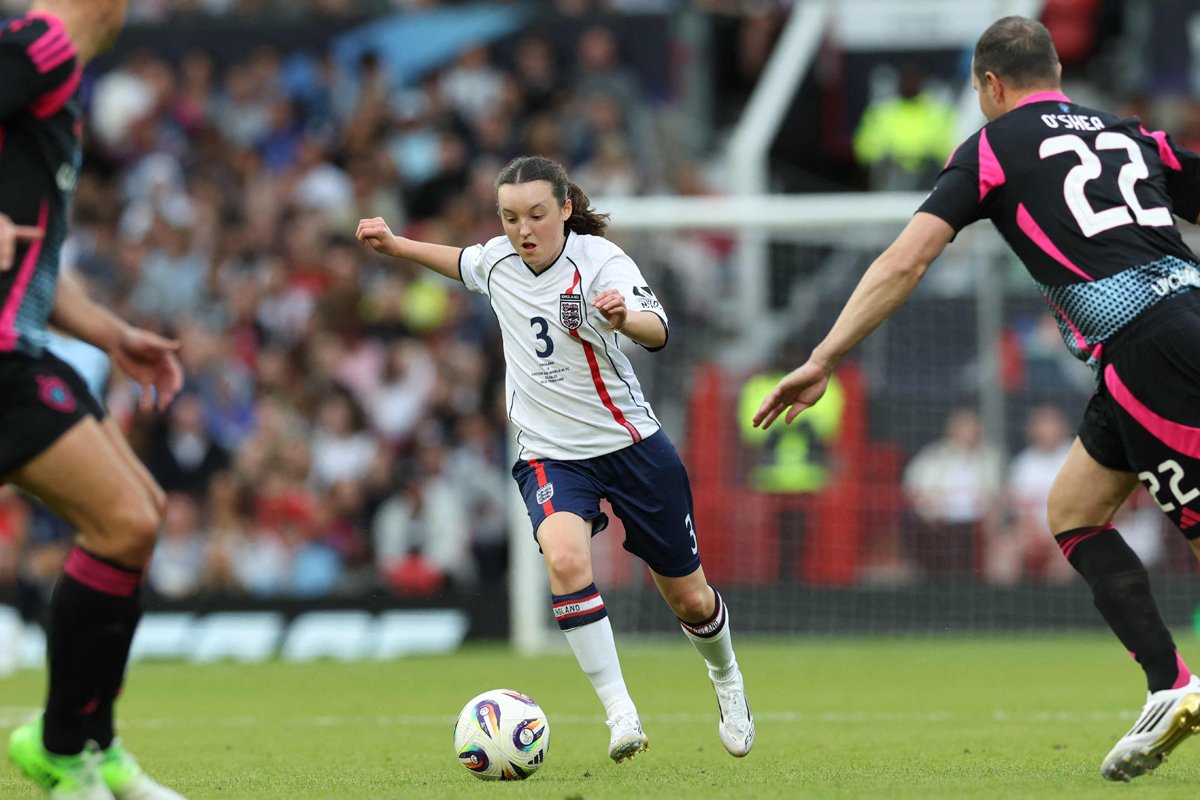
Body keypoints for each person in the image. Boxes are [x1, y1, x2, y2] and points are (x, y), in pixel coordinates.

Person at [754, 15, 1200, 783]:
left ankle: (1174, 686)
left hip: (1148, 350)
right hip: (1171, 328)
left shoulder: (992, 147)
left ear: (990, 86)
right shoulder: (1129, 134)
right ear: (1056, 71)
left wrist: (825, 354)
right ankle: (1171, 686)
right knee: (1072, 511)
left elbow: (907, 259)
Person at [357, 155, 754, 763]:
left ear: (565, 209)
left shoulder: (600, 261)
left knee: (691, 600)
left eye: (537, 214)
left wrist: (625, 316)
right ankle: (621, 716)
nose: (524, 229)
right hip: (551, 457)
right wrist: (394, 245)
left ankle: (727, 680)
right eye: (511, 217)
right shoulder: (497, 262)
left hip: (632, 448)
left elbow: (658, 329)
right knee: (566, 560)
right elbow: (458, 261)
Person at [0, 2, 187, 799]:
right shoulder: (36, 44)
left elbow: (35, 255)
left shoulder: (59, 74)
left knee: (137, 517)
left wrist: (113, 334)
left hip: (23, 346)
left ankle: (93, 745)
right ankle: (63, 749)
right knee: (124, 521)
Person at [902, 408, 1002, 583]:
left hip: (977, 521)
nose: (969, 433)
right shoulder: (933, 456)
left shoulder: (990, 458)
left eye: (972, 428)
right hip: (938, 520)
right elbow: (914, 488)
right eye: (964, 428)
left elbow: (997, 494)